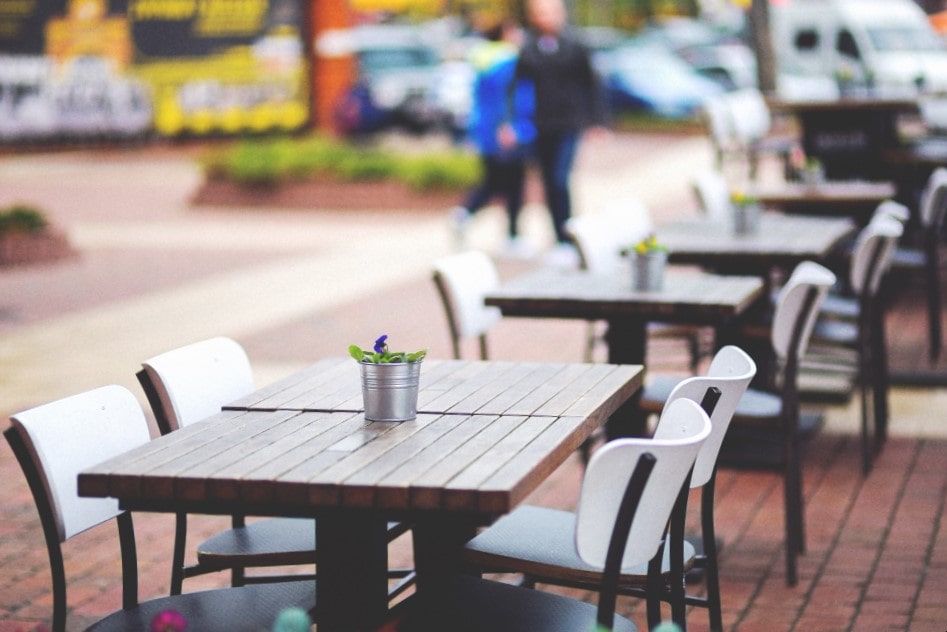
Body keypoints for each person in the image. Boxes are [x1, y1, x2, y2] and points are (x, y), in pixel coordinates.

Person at [512, 0, 608, 267]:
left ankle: (568, 238)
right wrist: (510, 122)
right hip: (541, 125)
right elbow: (516, 87)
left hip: (569, 123)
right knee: (546, 182)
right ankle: (558, 237)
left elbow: (593, 84)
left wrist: (597, 121)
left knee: (559, 179)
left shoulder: (576, 46)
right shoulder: (529, 48)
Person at [448, 19, 537, 258]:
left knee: (492, 182)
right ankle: (512, 236)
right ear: (506, 33)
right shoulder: (508, 62)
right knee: (513, 185)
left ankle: (464, 214)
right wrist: (511, 127)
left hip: (486, 132)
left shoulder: (482, 59)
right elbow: (511, 98)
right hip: (507, 133)